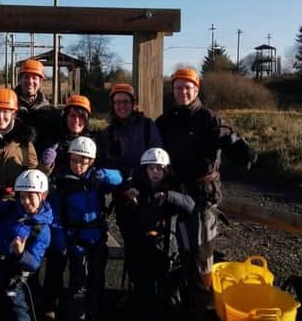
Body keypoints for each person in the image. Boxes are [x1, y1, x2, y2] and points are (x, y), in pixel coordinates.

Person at [155, 68, 256, 319]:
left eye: (187, 87)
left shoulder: (209, 119)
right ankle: (178, 299)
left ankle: (204, 305)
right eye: (178, 87)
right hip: (175, 188)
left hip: (202, 193)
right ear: (173, 91)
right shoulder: (165, 121)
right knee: (174, 247)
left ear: (197, 89)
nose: (183, 92)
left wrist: (243, 150)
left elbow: (228, 138)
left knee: (201, 252)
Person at [95, 83, 162, 288]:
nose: (121, 106)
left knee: (152, 246)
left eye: (125, 101)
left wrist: (142, 186)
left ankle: (151, 294)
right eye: (117, 102)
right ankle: (135, 292)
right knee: (131, 246)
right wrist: (124, 189)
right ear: (112, 105)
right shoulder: (108, 133)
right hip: (124, 199)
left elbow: (159, 159)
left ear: (133, 103)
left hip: (148, 197)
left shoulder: (148, 127)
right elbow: (104, 167)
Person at [49, 136, 122, 321]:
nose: (78, 165)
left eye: (83, 161)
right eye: (74, 160)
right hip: (76, 239)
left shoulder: (95, 178)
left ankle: (94, 311)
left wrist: (102, 175)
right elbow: (55, 215)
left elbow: (120, 178)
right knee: (78, 280)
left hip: (97, 237)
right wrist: (60, 242)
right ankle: (77, 313)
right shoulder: (63, 182)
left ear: (92, 161)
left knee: (97, 278)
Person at [0, 169, 53, 321]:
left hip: (12, 279)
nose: (25, 201)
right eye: (22, 197)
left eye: (30, 197)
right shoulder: (10, 207)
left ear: (44, 195)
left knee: (17, 312)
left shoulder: (42, 229)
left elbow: (34, 263)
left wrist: (20, 254)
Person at [122, 148, 195, 321]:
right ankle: (142, 310)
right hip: (142, 242)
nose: (155, 172)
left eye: (159, 168)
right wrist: (128, 195)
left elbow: (190, 205)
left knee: (165, 283)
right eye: (150, 168)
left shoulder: (174, 187)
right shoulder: (138, 186)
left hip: (166, 245)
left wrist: (169, 196)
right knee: (142, 281)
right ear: (145, 170)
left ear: (165, 170)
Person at [41, 94, 95, 319]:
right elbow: (40, 174)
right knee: (56, 258)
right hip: (58, 208)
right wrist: (47, 165)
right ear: (66, 116)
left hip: (82, 212)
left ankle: (75, 305)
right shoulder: (54, 140)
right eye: (72, 115)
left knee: (80, 265)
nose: (76, 120)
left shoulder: (94, 142)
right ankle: (48, 303)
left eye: (81, 116)